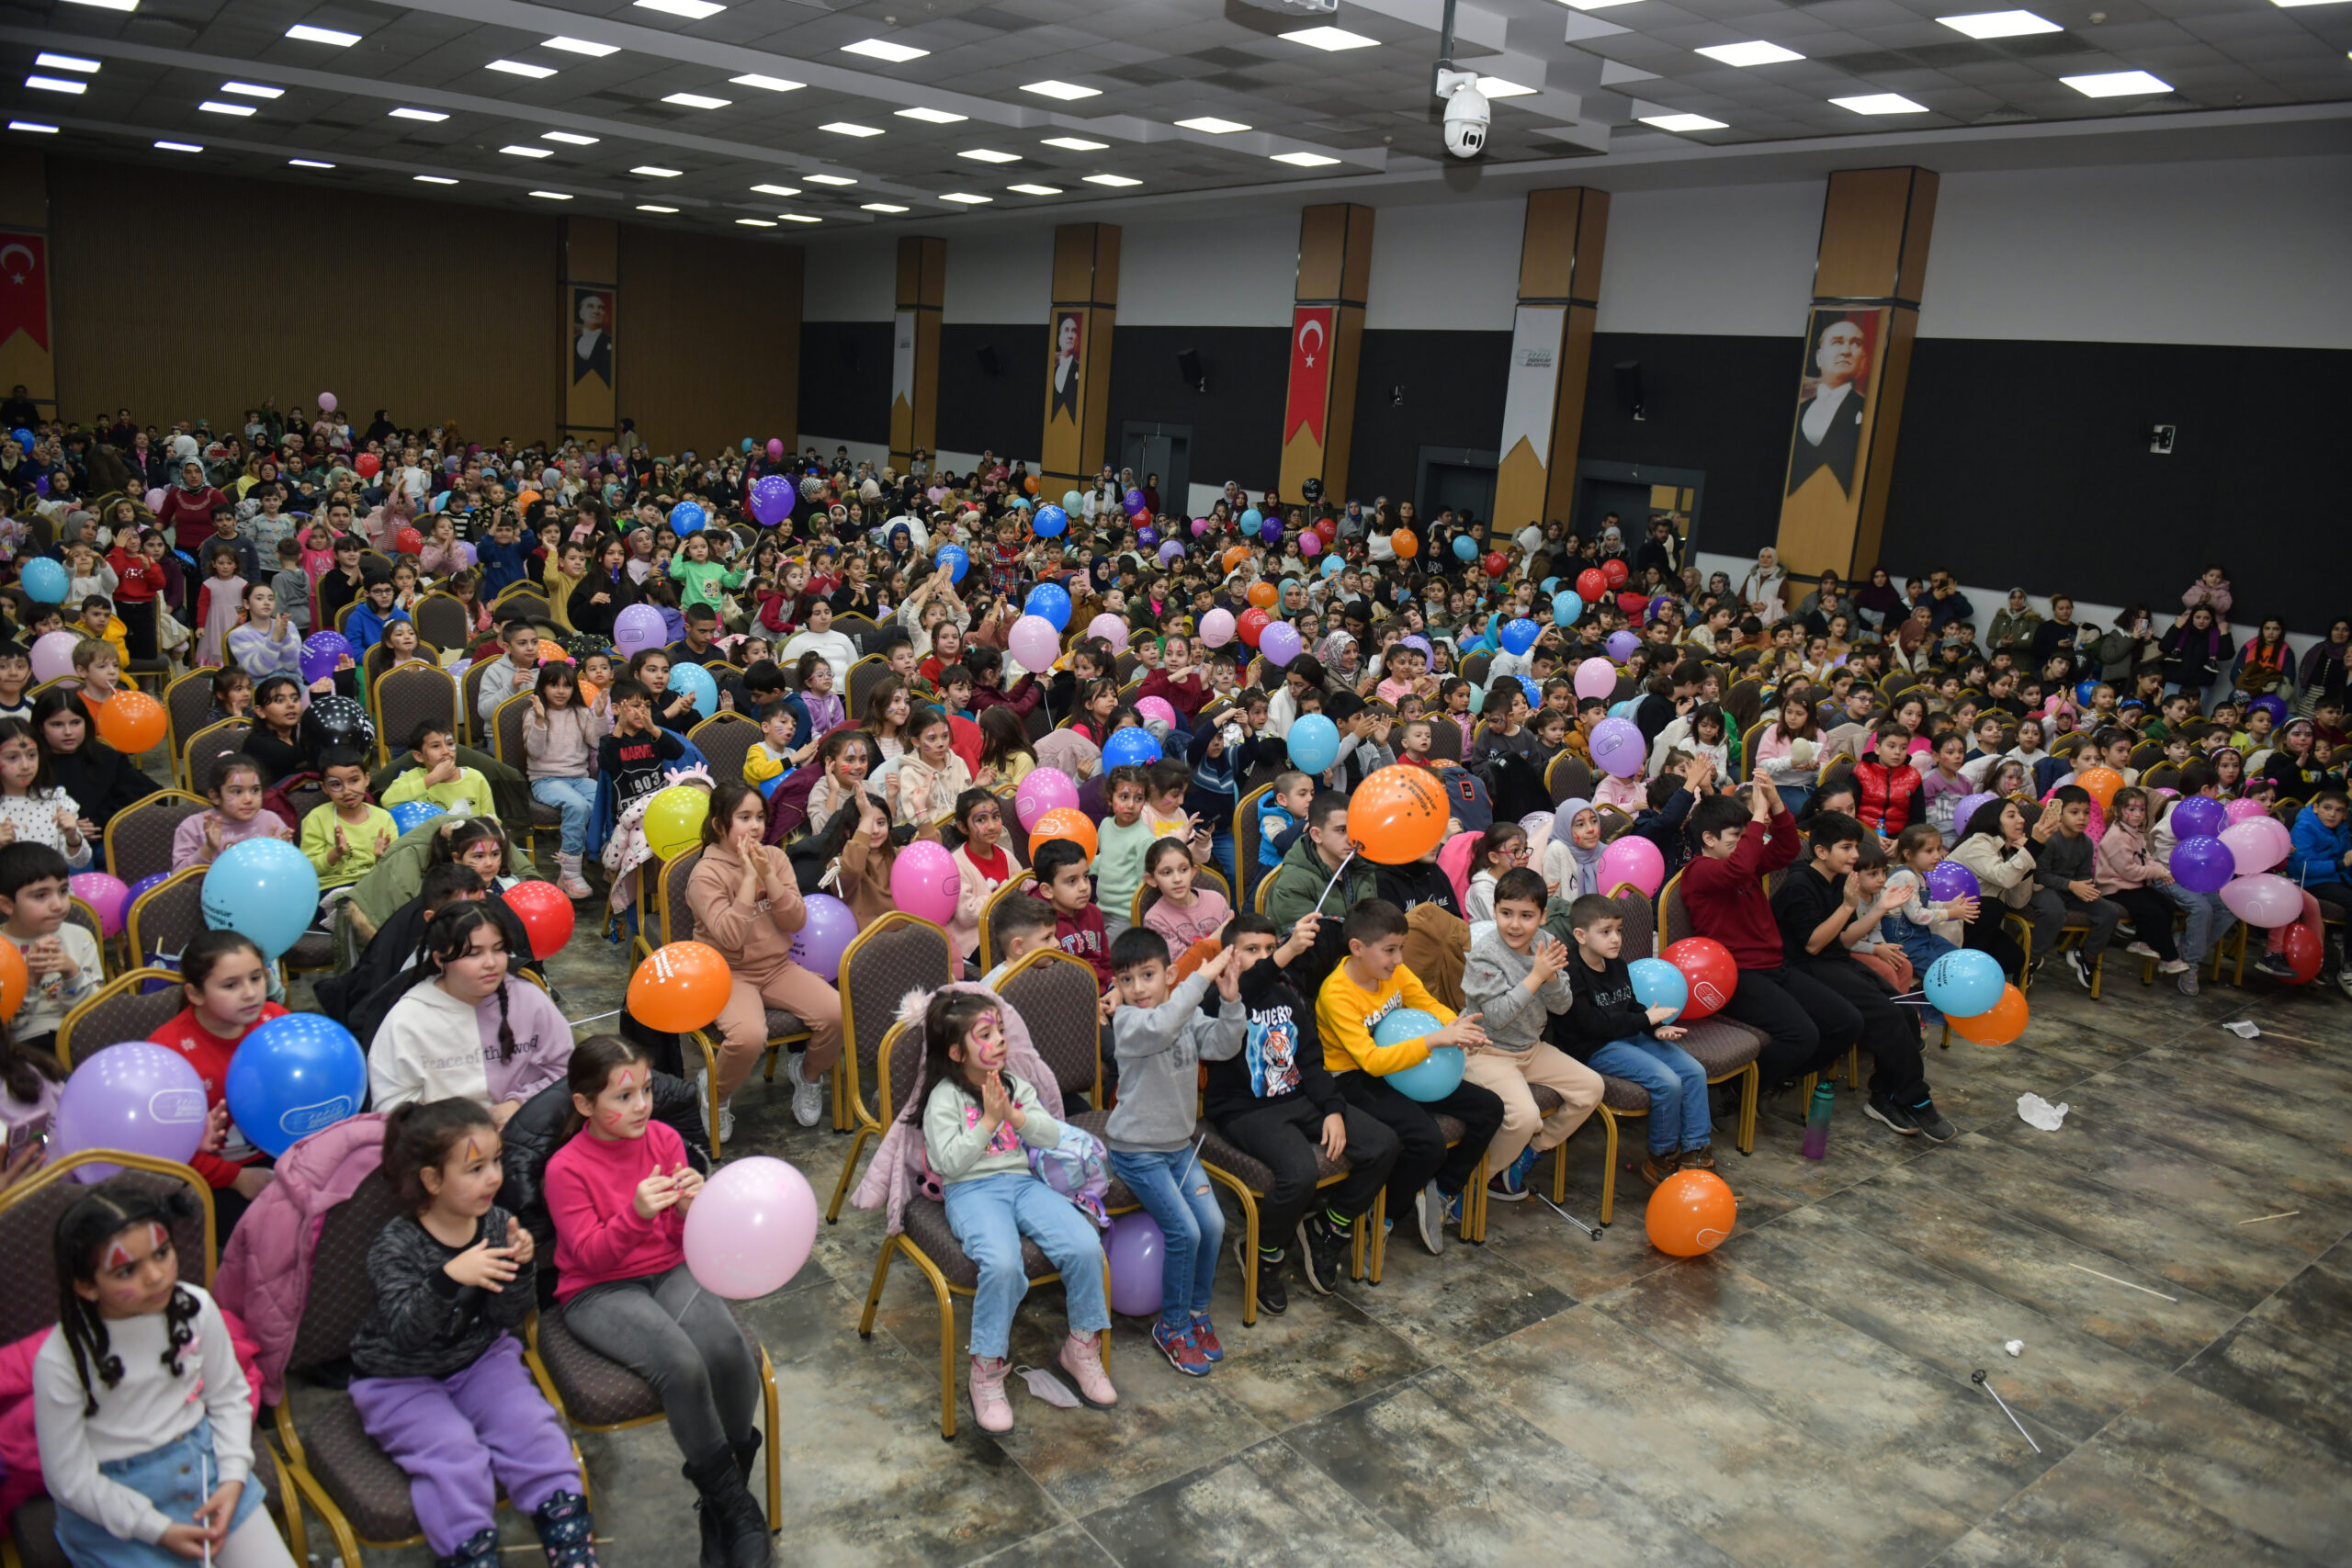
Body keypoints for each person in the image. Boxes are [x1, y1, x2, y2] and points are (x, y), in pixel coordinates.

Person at [544, 1037, 773, 1568]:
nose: (641, 1106)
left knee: (731, 1351)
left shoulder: (665, 1138)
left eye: (645, 1091)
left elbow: (684, 1234)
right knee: (682, 1365)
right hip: (597, 1290)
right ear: (584, 1105)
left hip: (667, 1268)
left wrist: (694, 1204)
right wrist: (637, 1214)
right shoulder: (565, 1169)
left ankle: (723, 1504)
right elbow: (592, 1258)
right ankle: (737, 1511)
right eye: (622, 1098)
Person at [346, 1100, 596, 1568]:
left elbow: (507, 1316)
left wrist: (520, 1269)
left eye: (496, 1161)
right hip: (398, 1379)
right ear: (432, 1180)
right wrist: (448, 1277)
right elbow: (404, 1334)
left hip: (479, 1359)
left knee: (533, 1429)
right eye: (475, 1168)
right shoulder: (396, 1244)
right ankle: (470, 1553)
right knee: (454, 1454)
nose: (493, 1178)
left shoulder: (498, 1224)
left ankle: (569, 1541)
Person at [34, 1182, 298, 1568]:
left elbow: (228, 1397)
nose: (157, 1276)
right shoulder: (60, 1360)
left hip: (204, 1469)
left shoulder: (196, 1308)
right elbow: (69, 1480)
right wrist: (155, 1529)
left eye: (162, 1252)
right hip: (113, 1502)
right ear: (87, 1286)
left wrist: (232, 1479)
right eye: (127, 1270)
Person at [912, 987, 1115, 1433]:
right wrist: (988, 1121)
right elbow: (948, 1163)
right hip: (971, 1192)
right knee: (1002, 1264)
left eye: (1000, 1031)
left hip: (1023, 1184)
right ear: (955, 1051)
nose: (999, 1040)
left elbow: (1049, 1136)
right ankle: (986, 1369)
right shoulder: (944, 1098)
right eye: (985, 1034)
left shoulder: (1014, 1085)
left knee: (1084, 1245)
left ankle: (1081, 1349)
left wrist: (1015, 1116)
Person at [1315, 898, 1502, 1256]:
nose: (1399, 959)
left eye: (1400, 948)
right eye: (1390, 950)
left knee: (1489, 1108)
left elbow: (1424, 1001)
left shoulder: (1393, 972)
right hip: (1354, 1080)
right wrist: (1434, 1040)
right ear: (1357, 948)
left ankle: (1441, 1192)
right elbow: (1370, 1061)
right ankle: (1384, 1214)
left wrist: (1453, 1024)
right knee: (1427, 1141)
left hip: (1402, 1066)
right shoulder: (1336, 994)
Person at [1104, 928, 1245, 1375]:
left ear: (1168, 975)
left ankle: (1197, 1313)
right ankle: (1172, 1325)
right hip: (1137, 1150)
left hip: (1178, 1147)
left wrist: (1229, 1000)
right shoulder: (1129, 1024)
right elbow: (1162, 1026)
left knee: (1214, 1224)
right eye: (1126, 980)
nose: (1138, 989)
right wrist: (1200, 978)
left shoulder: (1182, 1014)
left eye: (1148, 976)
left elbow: (1224, 1045)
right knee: (1184, 1231)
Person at [1679, 770, 1860, 1095]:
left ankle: (1774, 1077)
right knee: (1802, 1034)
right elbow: (1739, 870)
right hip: (1739, 975)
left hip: (1775, 967)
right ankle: (1744, 1089)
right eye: (1736, 834)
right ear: (1709, 839)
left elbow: (1786, 850)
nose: (1744, 840)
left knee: (1847, 1021)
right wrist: (1758, 816)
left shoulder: (1741, 863)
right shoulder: (1700, 871)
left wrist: (1776, 805)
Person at [1771, 811, 1948, 1138]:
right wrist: (1847, 906)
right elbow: (1812, 946)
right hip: (1804, 968)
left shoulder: (1840, 880)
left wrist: (1879, 908)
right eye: (1846, 847)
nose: (1855, 855)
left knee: (1904, 1007)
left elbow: (1845, 940)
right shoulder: (1800, 885)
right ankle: (1916, 1099)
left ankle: (1886, 1095)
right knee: (1886, 1015)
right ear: (1821, 851)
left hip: (1836, 960)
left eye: (1856, 847)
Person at [686, 783, 843, 1135]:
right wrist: (747, 879)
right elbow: (729, 938)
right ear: (719, 824)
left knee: (836, 1012)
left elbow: (797, 921)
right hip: (727, 973)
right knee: (749, 1037)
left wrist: (768, 876)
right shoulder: (705, 874)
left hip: (776, 967)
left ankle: (807, 1074)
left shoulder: (775, 857)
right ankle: (716, 1092)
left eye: (759, 817)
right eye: (744, 818)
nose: (755, 827)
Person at [1463, 868, 1605, 1201]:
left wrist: (1552, 979)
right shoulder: (1485, 954)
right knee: (1524, 1118)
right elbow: (1496, 1017)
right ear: (1494, 911)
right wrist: (1536, 976)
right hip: (1486, 1050)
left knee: (1591, 1087)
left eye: (1526, 915)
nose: (1515, 924)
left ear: (1542, 917)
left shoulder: (1545, 944)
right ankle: (1473, 1180)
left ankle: (1528, 1153)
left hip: (1530, 1048)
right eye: (1506, 913)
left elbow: (1563, 1007)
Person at [1556, 888, 1715, 1186]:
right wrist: (1644, 1020)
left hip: (1629, 1033)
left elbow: (1631, 1006)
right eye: (1605, 932)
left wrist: (1656, 1028)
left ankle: (1695, 1151)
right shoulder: (1571, 971)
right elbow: (1592, 1026)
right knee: (1666, 1082)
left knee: (1694, 1071)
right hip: (1596, 1048)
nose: (1615, 938)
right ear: (1580, 935)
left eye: (1618, 930)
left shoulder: (1616, 962)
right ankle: (1661, 1157)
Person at [366, 902, 573, 1119]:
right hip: (440, 1146)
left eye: (499, 949)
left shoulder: (529, 999)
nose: (491, 963)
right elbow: (391, 1110)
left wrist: (517, 1104)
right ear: (440, 959)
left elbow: (566, 1071)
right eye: (474, 953)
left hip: (526, 1132)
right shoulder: (407, 1019)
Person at [0, 841, 100, 1055]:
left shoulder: (80, 937)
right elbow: (9, 1027)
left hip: (79, 1037)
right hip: (19, 1048)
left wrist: (72, 974)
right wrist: (29, 980)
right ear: (7, 905)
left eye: (63, 890)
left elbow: (97, 1015)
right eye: (40, 895)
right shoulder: (2, 951)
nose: (58, 904)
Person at [522, 660, 605, 899]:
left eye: (566, 686)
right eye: (554, 685)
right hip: (546, 780)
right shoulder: (534, 713)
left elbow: (597, 743)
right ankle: (569, 872)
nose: (560, 691)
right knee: (577, 806)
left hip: (579, 777)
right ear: (543, 688)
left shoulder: (580, 712)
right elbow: (534, 752)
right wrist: (540, 721)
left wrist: (598, 716)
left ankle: (600, 858)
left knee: (602, 799)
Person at [2028, 784, 2120, 991]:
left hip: (2072, 890)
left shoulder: (2086, 843)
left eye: (2086, 813)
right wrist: (2072, 885)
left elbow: (2084, 876)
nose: (2082, 818)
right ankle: (2032, 959)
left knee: (2109, 912)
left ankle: (2086, 956)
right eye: (2075, 812)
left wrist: (2086, 888)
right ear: (2059, 815)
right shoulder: (2049, 839)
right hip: (2044, 888)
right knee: (2054, 912)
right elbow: (2039, 875)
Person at [2094, 787, 2192, 979]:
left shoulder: (2135, 833)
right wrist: (2156, 871)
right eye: (2131, 809)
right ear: (2117, 811)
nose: (2138, 814)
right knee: (2152, 910)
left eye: (2141, 809)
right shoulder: (2115, 837)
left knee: (2166, 905)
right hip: (2115, 889)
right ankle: (2169, 958)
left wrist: (2162, 871)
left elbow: (2146, 858)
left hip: (2133, 885)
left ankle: (2140, 940)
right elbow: (2129, 871)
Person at [0, 715, 94, 870]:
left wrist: (73, 837)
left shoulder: (55, 800)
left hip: (54, 890)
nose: (25, 765)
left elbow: (80, 862)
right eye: (12, 757)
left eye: (31, 755)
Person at [300, 744, 397, 894]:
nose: (346, 791)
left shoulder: (384, 818)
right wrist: (335, 853)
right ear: (324, 787)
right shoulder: (316, 819)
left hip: (375, 885)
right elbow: (307, 869)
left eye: (354, 780)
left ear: (366, 779)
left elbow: (395, 868)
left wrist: (381, 858)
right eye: (335, 784)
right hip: (334, 889)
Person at [169, 755, 291, 873]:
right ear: (215, 796)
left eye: (255, 790)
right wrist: (209, 848)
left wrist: (276, 853)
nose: (249, 799)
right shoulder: (193, 826)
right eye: (237, 791)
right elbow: (179, 880)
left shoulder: (272, 821)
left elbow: (292, 870)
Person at [2285, 786, 2352, 995]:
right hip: (2309, 882)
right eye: (2327, 808)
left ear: (2345, 814)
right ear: (2316, 808)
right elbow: (2306, 866)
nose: (2332, 814)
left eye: (2339, 810)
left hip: (2334, 877)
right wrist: (2341, 864)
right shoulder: (2304, 827)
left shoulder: (2342, 830)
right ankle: (2348, 966)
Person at [1031, 838, 1113, 991]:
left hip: (1102, 991)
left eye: (1086, 876)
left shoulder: (1094, 913)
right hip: (1067, 1001)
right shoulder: (1038, 925)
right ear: (1047, 890)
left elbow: (1106, 964)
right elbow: (1043, 982)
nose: (1084, 887)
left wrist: (1115, 990)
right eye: (1072, 881)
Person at [384, 720, 495, 819]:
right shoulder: (413, 777)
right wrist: (432, 779)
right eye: (435, 746)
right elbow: (387, 801)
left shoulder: (475, 777)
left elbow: (491, 818)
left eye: (450, 744)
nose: (446, 751)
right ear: (419, 756)